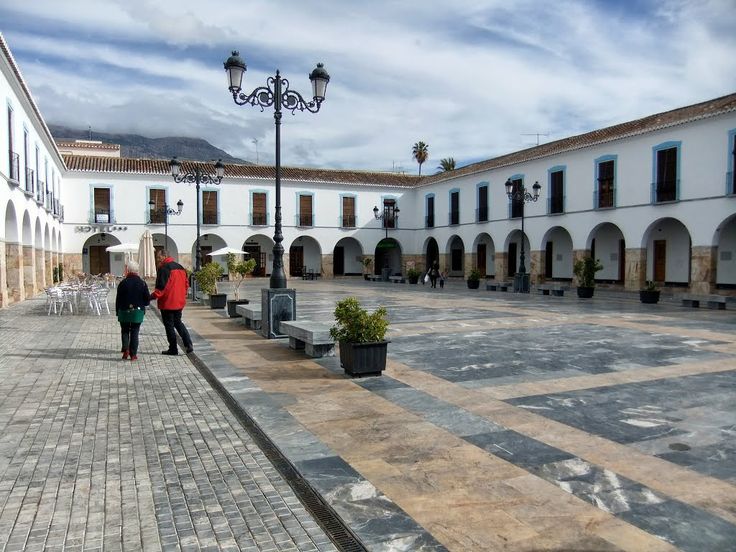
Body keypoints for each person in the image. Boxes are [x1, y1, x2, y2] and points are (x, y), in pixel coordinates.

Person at [152, 249, 194, 355]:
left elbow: (161, 288)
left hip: (167, 303)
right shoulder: (180, 267)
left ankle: (173, 348)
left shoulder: (164, 269)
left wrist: (149, 297)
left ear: (164, 256)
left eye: (158, 257)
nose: (157, 260)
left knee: (169, 326)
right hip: (179, 301)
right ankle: (188, 344)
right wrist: (182, 296)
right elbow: (186, 285)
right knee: (178, 322)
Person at [115, 260, 150, 361]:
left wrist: (117, 311)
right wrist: (143, 304)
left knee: (125, 330)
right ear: (137, 271)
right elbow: (147, 300)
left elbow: (118, 299)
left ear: (128, 270)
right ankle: (133, 354)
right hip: (137, 311)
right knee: (135, 331)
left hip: (124, 310)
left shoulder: (123, 283)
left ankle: (126, 350)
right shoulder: (142, 283)